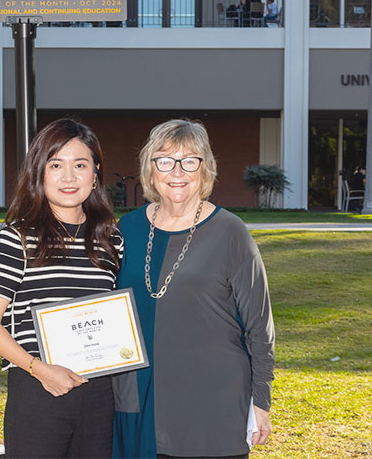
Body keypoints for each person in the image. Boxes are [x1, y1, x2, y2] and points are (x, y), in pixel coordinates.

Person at [112, 119, 275, 459]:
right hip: (140, 401)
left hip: (212, 406)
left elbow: (260, 326)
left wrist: (261, 401)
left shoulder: (231, 232)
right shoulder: (127, 229)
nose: (177, 171)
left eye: (190, 161)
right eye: (165, 160)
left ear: (205, 169)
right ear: (150, 168)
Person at [0, 119, 123, 458]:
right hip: (38, 389)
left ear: (95, 173)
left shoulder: (110, 239)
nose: (68, 177)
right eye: (56, 165)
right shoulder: (17, 238)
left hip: (98, 394)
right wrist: (40, 370)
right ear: (39, 172)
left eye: (80, 165)